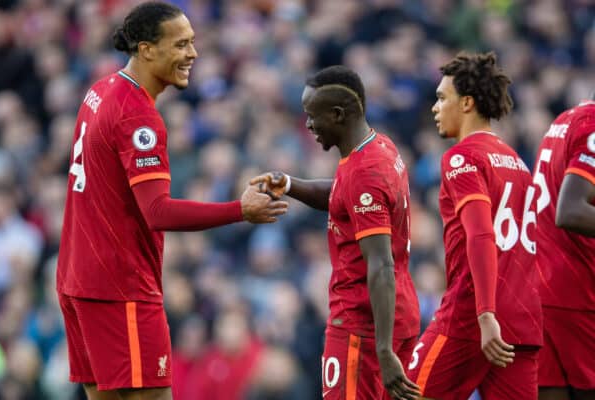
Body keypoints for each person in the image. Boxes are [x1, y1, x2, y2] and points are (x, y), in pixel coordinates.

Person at [56, 3, 287, 400]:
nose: (193, 54)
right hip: (119, 288)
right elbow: (157, 211)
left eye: (193, 43)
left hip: (78, 278)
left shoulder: (101, 89)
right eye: (181, 44)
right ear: (147, 50)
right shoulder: (138, 116)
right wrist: (239, 210)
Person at [252, 65, 421, 400]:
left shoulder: (364, 172)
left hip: (363, 325)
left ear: (338, 114)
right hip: (397, 314)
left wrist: (384, 351)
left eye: (313, 116)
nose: (309, 125)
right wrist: (289, 184)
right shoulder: (380, 148)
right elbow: (343, 195)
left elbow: (381, 265)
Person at [405, 52, 543, 400]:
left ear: (466, 103)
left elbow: (481, 234)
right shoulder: (518, 163)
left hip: (473, 317)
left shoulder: (462, 157)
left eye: (441, 98)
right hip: (522, 320)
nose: (435, 108)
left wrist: (485, 315)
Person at [533, 94, 595, 400]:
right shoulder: (591, 126)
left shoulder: (564, 120)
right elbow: (570, 210)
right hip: (575, 294)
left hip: (543, 290)